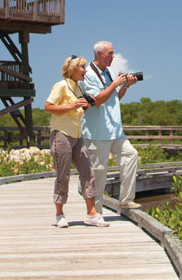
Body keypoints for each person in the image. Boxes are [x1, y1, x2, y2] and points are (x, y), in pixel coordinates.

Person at [44, 55, 108, 228]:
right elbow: (48, 107)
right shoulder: (61, 85)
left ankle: (92, 214)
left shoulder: (78, 88)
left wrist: (86, 106)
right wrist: (72, 106)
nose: (85, 70)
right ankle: (59, 214)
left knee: (88, 171)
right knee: (63, 175)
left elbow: (76, 112)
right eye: (82, 67)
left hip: (77, 136)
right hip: (61, 135)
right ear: (72, 69)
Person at [80, 40, 140, 213]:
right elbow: (97, 101)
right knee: (99, 174)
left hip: (115, 130)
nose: (113, 56)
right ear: (99, 54)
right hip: (97, 132)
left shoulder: (109, 72)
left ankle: (126, 200)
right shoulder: (88, 74)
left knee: (131, 155)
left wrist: (125, 86)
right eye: (110, 53)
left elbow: (113, 99)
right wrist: (115, 83)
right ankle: (95, 213)